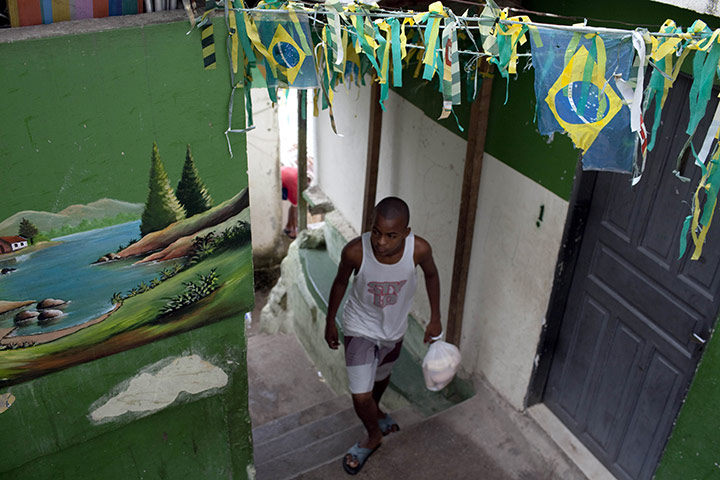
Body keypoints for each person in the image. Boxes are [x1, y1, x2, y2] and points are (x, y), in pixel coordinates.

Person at [324, 196, 442, 475]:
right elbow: (340, 282)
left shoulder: (419, 250)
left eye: (391, 235)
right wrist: (330, 321)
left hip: (394, 329)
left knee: (381, 376)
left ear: (406, 233)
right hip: (359, 328)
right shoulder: (356, 251)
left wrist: (435, 317)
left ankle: (377, 411)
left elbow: (432, 276)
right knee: (360, 396)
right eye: (376, 232)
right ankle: (373, 434)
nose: (381, 242)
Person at [281, 166, 299, 239]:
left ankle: (288, 227)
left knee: (294, 205)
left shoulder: (299, 175)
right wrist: (295, 231)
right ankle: (293, 229)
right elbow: (294, 212)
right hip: (279, 182)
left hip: (283, 175)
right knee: (295, 206)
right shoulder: (295, 189)